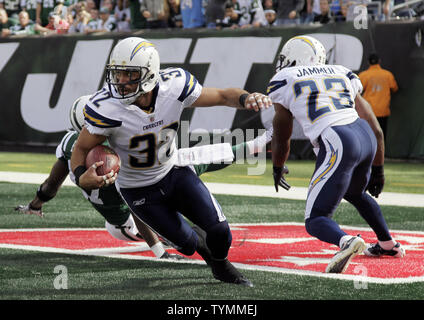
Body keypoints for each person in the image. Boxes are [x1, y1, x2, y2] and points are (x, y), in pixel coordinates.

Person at [69, 37, 272, 286]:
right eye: (117, 74)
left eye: (128, 75)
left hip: (173, 170)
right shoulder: (107, 108)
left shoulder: (174, 86)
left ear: (150, 74)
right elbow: (80, 148)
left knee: (220, 232)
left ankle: (220, 265)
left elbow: (220, 95)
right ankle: (205, 253)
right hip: (136, 188)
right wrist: (81, 176)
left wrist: (245, 98)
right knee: (186, 245)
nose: (120, 82)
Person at [269, 35, 405, 274]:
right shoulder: (341, 72)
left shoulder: (284, 79)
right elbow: (374, 126)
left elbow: (282, 135)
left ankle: (347, 242)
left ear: (295, 56)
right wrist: (378, 168)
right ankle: (388, 244)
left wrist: (277, 165)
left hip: (338, 138)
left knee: (315, 219)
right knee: (356, 192)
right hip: (364, 135)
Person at [359, 53, 398, 141]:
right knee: (381, 134)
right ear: (379, 61)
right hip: (383, 110)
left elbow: (357, 90)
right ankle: (381, 153)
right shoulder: (387, 75)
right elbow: (394, 88)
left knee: (368, 135)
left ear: (368, 62)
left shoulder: (363, 75)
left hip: (369, 111)